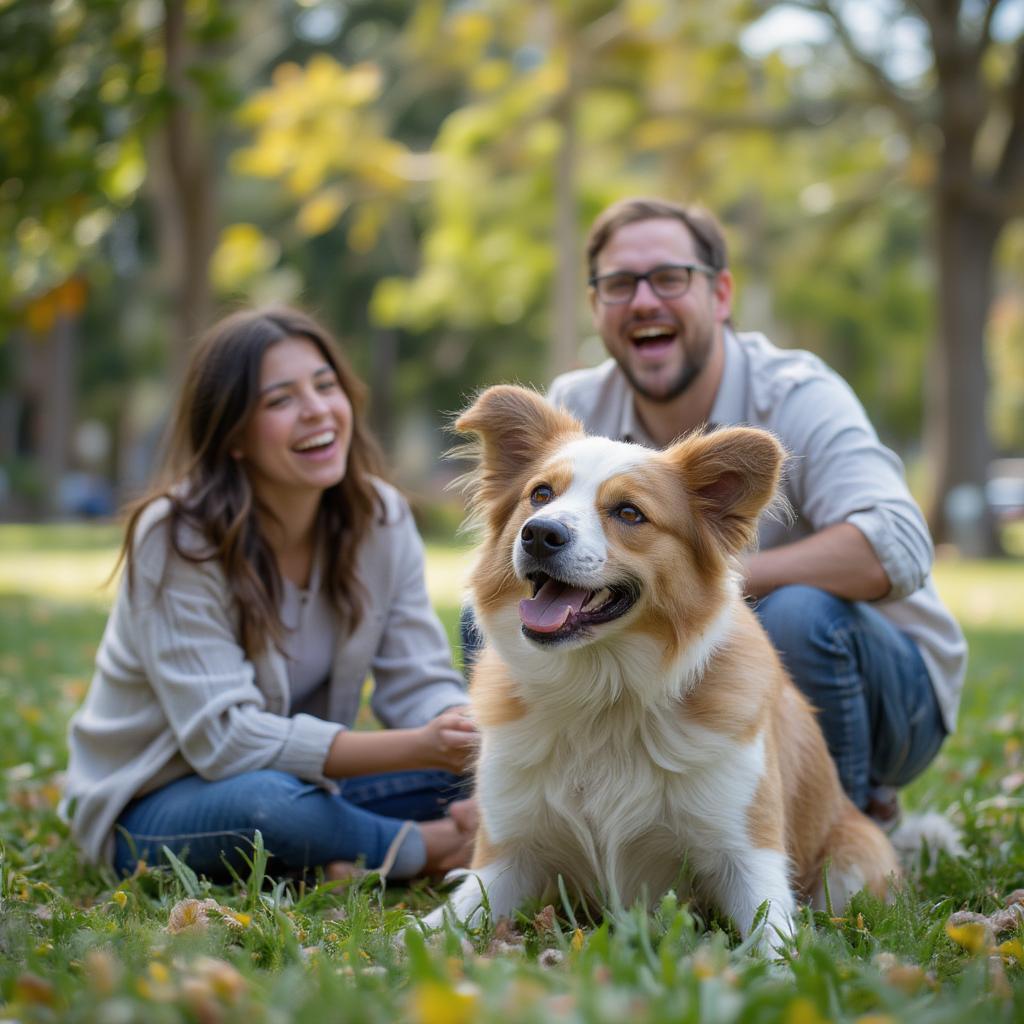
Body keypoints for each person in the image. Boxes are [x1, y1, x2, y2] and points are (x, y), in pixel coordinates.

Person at [546, 196, 967, 826]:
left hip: (887, 690)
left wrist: (714, 579)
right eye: (618, 284)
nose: (642, 302)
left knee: (793, 614)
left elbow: (898, 545)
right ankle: (567, 826)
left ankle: (842, 833)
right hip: (691, 681)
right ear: (595, 306)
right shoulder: (576, 403)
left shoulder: (797, 394)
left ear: (720, 295)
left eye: (668, 278)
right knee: (516, 613)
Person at [63, 307, 478, 882]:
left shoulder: (380, 518)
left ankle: (335, 855)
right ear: (232, 435)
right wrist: (422, 748)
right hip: (156, 802)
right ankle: (427, 850)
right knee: (269, 806)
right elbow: (226, 741)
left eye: (325, 385)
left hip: (306, 781)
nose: (316, 409)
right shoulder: (177, 536)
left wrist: (461, 735)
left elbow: (418, 678)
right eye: (280, 400)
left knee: (482, 766)